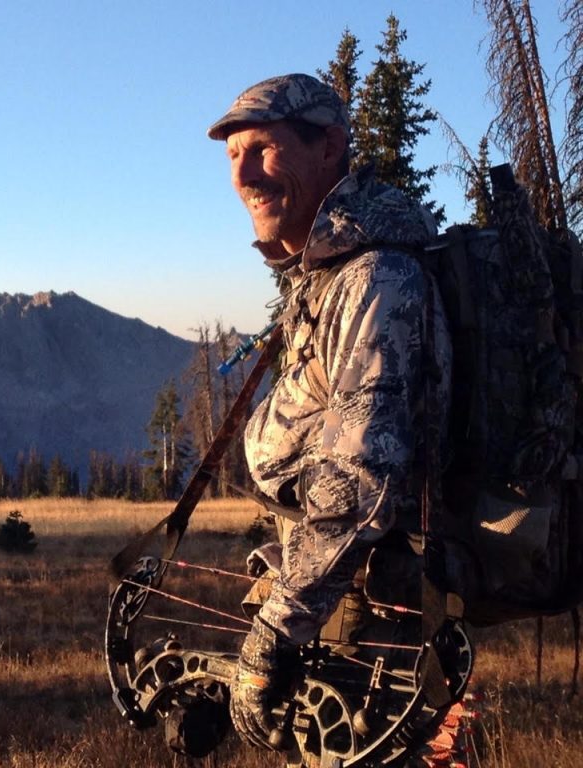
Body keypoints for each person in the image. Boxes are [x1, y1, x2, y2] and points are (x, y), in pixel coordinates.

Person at [206, 73, 452, 749]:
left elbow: (360, 485)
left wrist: (276, 631)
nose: (244, 173)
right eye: (232, 156)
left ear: (329, 148)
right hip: (344, 616)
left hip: (376, 632)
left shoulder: (376, 279)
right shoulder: (332, 274)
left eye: (262, 148)